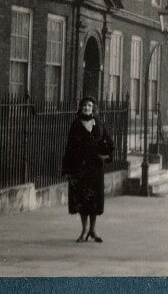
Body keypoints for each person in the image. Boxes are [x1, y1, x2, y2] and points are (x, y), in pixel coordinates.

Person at [62, 97, 114, 243]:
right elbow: (69, 148)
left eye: (89, 105)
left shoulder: (99, 123)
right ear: (81, 108)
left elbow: (110, 142)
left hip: (95, 168)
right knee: (82, 199)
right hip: (80, 168)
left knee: (95, 199)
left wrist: (106, 155)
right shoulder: (76, 124)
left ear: (93, 108)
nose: (86, 108)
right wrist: (68, 169)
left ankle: (93, 230)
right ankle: (84, 230)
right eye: (84, 105)